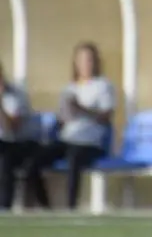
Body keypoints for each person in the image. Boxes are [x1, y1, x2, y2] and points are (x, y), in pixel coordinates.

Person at [25, 42, 115, 210]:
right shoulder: (69, 88)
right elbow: (62, 118)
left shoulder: (103, 86)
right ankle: (46, 208)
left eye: (89, 60)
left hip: (90, 143)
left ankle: (70, 208)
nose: (85, 64)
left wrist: (82, 109)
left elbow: (105, 117)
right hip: (67, 138)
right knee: (33, 162)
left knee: (75, 159)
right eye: (81, 60)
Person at [0, 62, 39, 210]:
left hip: (19, 144)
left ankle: (4, 208)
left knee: (4, 157)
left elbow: (11, 128)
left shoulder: (16, 95)